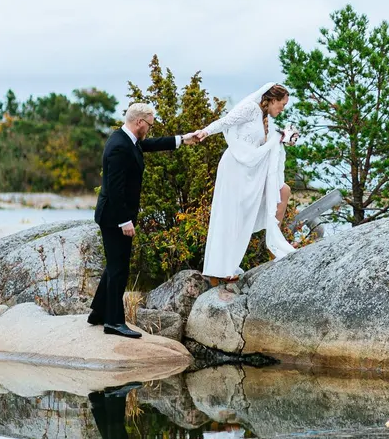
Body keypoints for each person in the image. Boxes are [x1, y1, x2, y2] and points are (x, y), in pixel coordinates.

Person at [88, 103, 200, 337]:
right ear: (139, 122)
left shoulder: (126, 139)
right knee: (119, 268)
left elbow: (150, 145)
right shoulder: (119, 146)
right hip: (113, 217)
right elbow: (116, 189)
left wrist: (183, 139)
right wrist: (124, 221)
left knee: (114, 265)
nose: (150, 129)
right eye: (149, 124)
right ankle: (114, 322)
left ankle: (98, 312)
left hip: (114, 215)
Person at [189, 83, 299, 285]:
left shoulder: (265, 119)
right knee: (231, 213)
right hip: (236, 166)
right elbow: (226, 121)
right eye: (282, 104)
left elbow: (262, 146)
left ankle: (272, 239)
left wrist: (282, 138)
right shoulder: (251, 108)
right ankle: (219, 268)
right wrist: (205, 131)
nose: (282, 109)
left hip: (251, 169)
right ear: (272, 99)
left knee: (283, 191)